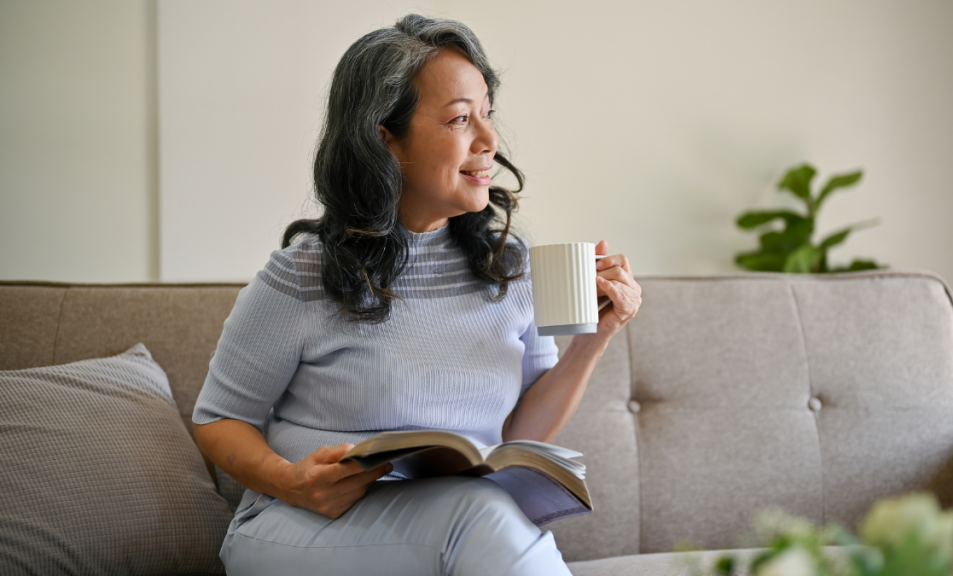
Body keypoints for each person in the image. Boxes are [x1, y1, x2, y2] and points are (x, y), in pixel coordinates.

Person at [191, 13, 642, 576]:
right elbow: (217, 419)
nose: (489, 140)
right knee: (483, 518)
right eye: (459, 119)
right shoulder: (305, 272)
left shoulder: (511, 268)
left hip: (452, 514)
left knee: (485, 511)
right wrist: (292, 482)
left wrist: (594, 339)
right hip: (302, 524)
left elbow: (517, 437)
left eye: (488, 114)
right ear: (384, 137)